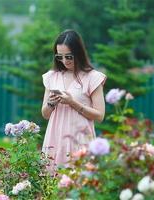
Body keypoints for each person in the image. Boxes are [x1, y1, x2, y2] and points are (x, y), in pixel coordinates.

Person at [41, 29, 106, 171]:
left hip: (80, 138)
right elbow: (45, 114)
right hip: (55, 137)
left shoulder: (92, 77)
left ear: (78, 53)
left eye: (68, 56)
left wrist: (73, 103)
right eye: (60, 57)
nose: (64, 61)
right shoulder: (52, 77)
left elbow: (100, 116)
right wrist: (52, 102)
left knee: (79, 184)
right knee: (51, 185)